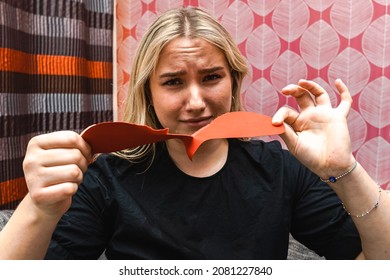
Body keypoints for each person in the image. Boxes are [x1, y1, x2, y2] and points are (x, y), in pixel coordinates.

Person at [0, 7, 389, 260]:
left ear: (233, 81)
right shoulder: (107, 177)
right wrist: (38, 207)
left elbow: (374, 264)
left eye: (211, 78)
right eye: (172, 82)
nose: (196, 101)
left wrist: (346, 169)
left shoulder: (281, 170)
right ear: (148, 92)